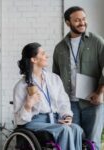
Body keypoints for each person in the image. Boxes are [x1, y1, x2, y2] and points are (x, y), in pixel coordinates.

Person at [13, 42, 83, 150]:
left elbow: (63, 102)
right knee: (65, 130)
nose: (47, 56)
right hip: (34, 122)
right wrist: (28, 105)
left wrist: (67, 116)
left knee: (76, 129)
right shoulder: (21, 86)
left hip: (54, 120)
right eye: (43, 54)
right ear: (34, 59)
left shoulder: (54, 79)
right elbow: (19, 120)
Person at [52, 6, 104, 150]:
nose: (82, 23)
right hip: (69, 104)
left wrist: (100, 93)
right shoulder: (59, 48)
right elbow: (55, 77)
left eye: (84, 19)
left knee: (92, 143)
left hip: (92, 103)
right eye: (77, 20)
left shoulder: (97, 42)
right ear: (68, 23)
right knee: (72, 142)